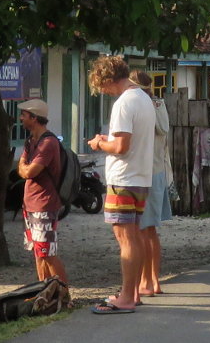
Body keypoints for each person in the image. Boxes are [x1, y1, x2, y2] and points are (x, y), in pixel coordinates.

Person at [85, 56, 155, 314]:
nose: (102, 90)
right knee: (133, 236)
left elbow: (121, 147)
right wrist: (110, 140)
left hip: (124, 179)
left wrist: (99, 144)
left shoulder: (124, 103)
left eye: (101, 85)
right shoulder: (144, 98)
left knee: (125, 238)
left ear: (108, 79)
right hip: (140, 177)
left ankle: (125, 297)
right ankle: (132, 292)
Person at [130, 70, 173, 298]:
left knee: (142, 231)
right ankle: (154, 280)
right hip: (158, 171)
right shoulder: (159, 105)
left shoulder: (142, 105)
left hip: (145, 173)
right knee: (151, 231)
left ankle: (146, 282)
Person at [16, 98, 68, 284]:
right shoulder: (31, 141)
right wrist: (24, 168)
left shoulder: (48, 143)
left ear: (34, 117)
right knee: (38, 253)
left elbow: (29, 171)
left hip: (44, 204)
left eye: (24, 115)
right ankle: (44, 292)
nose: (21, 118)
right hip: (31, 204)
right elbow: (22, 169)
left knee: (47, 253)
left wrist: (24, 167)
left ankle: (63, 294)